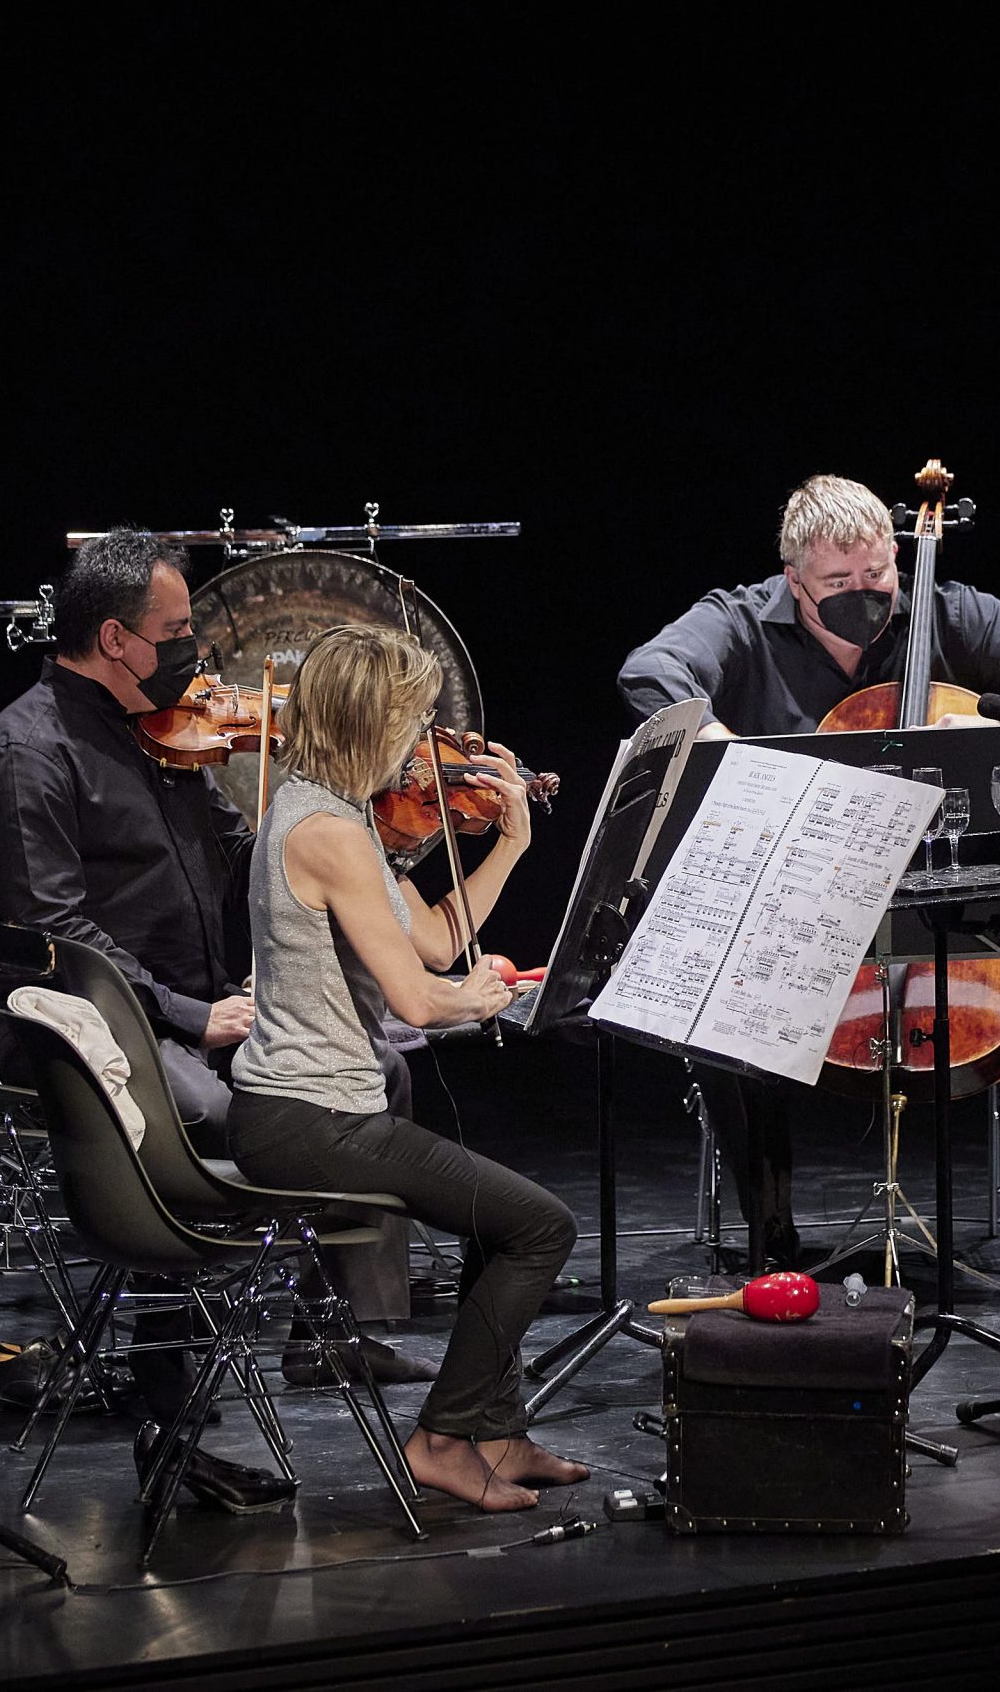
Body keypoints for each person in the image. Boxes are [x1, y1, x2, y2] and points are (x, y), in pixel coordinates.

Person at [617, 472, 1000, 1309]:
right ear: (793, 578)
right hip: (807, 898)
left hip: (945, 883)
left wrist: (999, 717)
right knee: (727, 981)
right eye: (838, 584)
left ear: (897, 557)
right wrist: (717, 739)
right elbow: (649, 669)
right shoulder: (740, 618)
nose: (863, 596)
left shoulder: (940, 604)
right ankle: (770, 1236)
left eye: (876, 576)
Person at [0, 529, 430, 1410]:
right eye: (176, 628)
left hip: (195, 1012)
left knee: (379, 1073)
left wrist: (365, 847)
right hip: (79, 1030)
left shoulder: (160, 735)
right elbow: (54, 936)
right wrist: (191, 1014)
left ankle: (329, 1333)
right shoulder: (25, 751)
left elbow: (244, 853)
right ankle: (164, 1358)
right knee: (218, 1110)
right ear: (115, 638)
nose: (196, 650)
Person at [229, 623, 585, 1511]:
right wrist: (494, 997)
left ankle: (494, 1432)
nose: (424, 739)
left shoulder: (334, 812)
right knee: (541, 1228)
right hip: (310, 1121)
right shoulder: (329, 831)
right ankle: (442, 1436)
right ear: (368, 721)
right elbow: (421, 1000)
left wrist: (510, 846)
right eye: (413, 717)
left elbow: (433, 938)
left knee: (504, 1223)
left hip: (311, 1110)